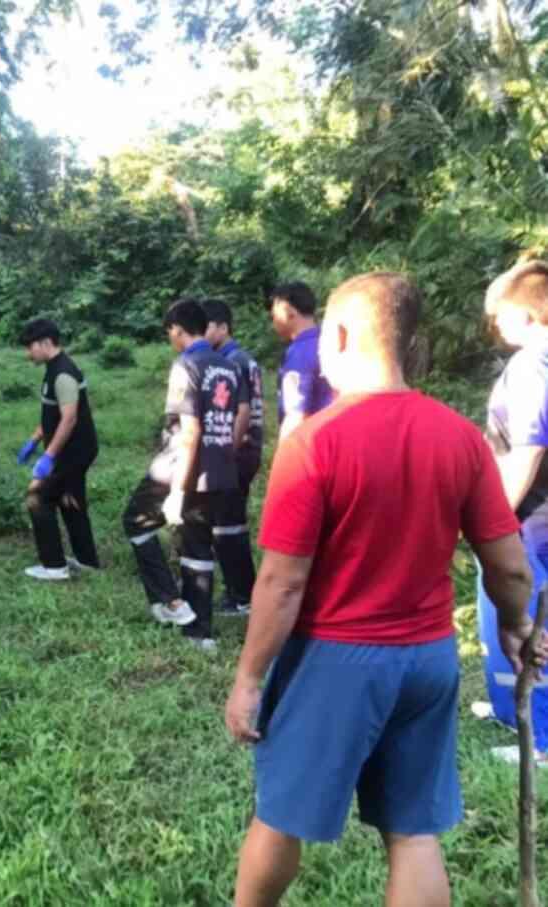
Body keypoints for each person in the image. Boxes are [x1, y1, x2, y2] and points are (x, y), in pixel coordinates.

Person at [224, 272, 544, 907]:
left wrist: (249, 679)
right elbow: (510, 566)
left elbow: (282, 582)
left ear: (340, 336)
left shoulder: (315, 443)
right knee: (413, 832)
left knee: (280, 813)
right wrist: (516, 626)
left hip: (336, 659)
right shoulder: (459, 438)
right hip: (428, 661)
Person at [121, 299, 241, 651]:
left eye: (170, 332)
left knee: (136, 521)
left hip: (179, 467)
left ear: (177, 329)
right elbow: (234, 421)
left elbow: (189, 430)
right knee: (197, 544)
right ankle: (199, 633)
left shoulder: (186, 364)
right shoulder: (227, 366)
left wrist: (177, 491)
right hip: (218, 470)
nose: (170, 338)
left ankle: (170, 602)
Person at [477, 259, 548, 757]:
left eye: (500, 315)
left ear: (526, 314)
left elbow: (527, 449)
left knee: (527, 619)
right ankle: (508, 708)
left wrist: (491, 518)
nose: (494, 326)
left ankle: (540, 739)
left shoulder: (530, 365)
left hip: (532, 519)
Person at [17, 318, 101, 581]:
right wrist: (34, 439)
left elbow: (69, 418)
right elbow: (51, 415)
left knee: (37, 497)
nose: (27, 353)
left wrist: (49, 455)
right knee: (70, 499)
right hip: (75, 448)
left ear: (45, 343)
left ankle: (54, 566)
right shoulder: (53, 369)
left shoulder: (63, 373)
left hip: (73, 451)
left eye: (30, 347)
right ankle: (87, 560)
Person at [203, 298, 263, 616]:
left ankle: (241, 597)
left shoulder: (232, 362)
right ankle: (241, 592)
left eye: (207, 327)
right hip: (244, 451)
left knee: (228, 525)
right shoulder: (239, 358)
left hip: (237, 452)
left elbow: (240, 413)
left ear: (223, 328)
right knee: (228, 521)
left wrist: (227, 451)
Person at [269, 281, 333, 442]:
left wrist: (283, 457)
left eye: (274, 315)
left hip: (313, 444)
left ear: (289, 312)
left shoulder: (299, 353)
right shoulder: (332, 342)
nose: (273, 322)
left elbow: (296, 414)